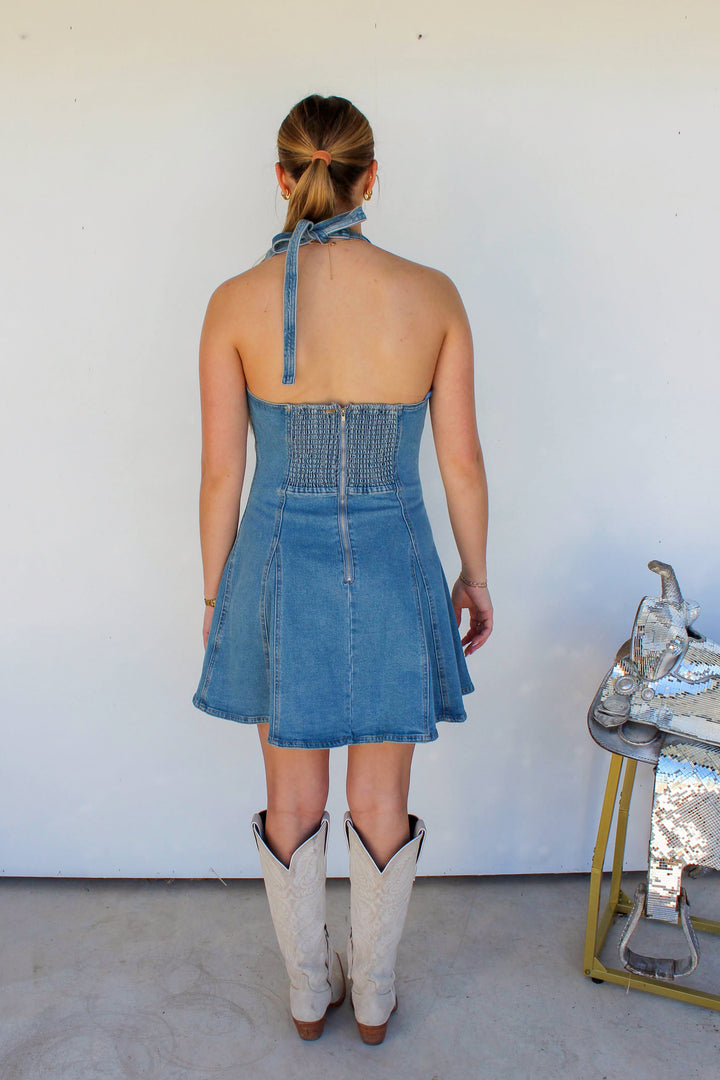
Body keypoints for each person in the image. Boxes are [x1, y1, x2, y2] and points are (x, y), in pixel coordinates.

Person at [192, 94, 492, 1044]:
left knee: (295, 798)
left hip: (277, 568)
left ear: (283, 179)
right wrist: (475, 576)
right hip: (399, 568)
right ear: (372, 177)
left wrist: (216, 597)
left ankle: (307, 993)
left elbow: (218, 475)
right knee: (380, 798)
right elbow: (460, 462)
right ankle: (373, 993)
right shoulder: (433, 294)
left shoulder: (234, 302)